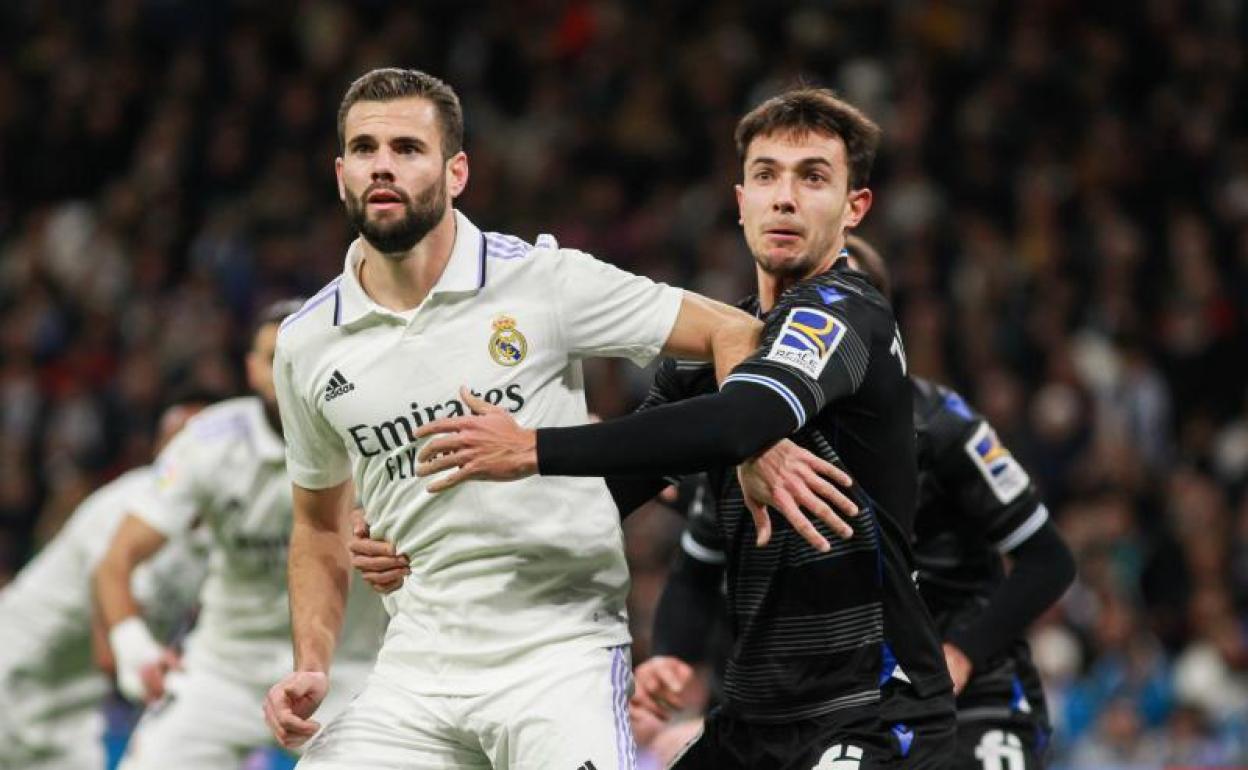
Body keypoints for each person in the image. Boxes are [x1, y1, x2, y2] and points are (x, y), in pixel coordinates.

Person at [264, 67, 818, 770]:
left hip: (558, 651)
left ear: (456, 171)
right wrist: (311, 661)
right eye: (365, 149)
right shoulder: (308, 341)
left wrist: (754, 442)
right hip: (416, 668)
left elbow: (730, 329)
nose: (383, 166)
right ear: (341, 172)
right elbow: (316, 525)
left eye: (407, 148)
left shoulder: (541, 282)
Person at [413, 87, 957, 769]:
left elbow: (740, 421)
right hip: (755, 718)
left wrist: (531, 447)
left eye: (812, 177)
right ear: (740, 201)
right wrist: (425, 534)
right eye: (766, 176)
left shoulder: (848, 313)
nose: (784, 197)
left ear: (856, 207)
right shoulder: (714, 347)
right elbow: (609, 492)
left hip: (873, 709)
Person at [632, 237, 1077, 770]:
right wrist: (671, 656)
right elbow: (697, 567)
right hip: (844, 697)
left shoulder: (945, 428)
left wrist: (961, 650)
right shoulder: (755, 441)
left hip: (969, 691)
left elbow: (1050, 560)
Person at [94, 300, 387, 769]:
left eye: (304, 355)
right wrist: (134, 647)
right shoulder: (207, 440)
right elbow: (117, 559)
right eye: (274, 359)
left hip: (349, 674)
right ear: (251, 369)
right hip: (220, 671)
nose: (289, 371)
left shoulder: (378, 432)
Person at [0, 396, 210, 770]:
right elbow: (109, 652)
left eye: (196, 445)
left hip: (71, 711)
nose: (182, 459)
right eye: (173, 443)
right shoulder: (130, 509)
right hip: (11, 673)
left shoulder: (216, 531)